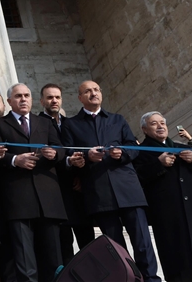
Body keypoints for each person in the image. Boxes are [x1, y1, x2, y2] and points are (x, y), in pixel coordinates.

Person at [60, 80, 160, 282]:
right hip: (99, 191)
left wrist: (121, 153)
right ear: (80, 98)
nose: (93, 93)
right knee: (114, 246)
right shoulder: (71, 124)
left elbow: (133, 146)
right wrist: (88, 156)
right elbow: (68, 152)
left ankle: (151, 279)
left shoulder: (117, 119)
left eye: (96, 90)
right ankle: (126, 278)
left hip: (128, 189)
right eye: (87, 91)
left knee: (142, 241)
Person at [0, 84, 67, 282]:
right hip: (18, 200)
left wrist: (55, 153)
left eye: (27, 96)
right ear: (9, 101)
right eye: (18, 96)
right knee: (25, 260)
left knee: (53, 258)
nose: (23, 99)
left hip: (48, 199)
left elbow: (61, 148)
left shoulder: (45, 123)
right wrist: (15, 160)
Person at [133, 112, 192, 282]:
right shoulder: (140, 153)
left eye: (163, 122)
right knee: (181, 269)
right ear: (144, 129)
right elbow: (137, 179)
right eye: (154, 123)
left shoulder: (181, 147)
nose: (160, 126)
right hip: (171, 222)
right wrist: (158, 164)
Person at [36, 83, 93, 264]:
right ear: (42, 101)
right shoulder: (36, 124)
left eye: (57, 97)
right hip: (53, 191)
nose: (54, 101)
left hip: (77, 190)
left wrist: (79, 175)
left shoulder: (72, 123)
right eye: (50, 97)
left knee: (87, 241)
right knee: (63, 245)